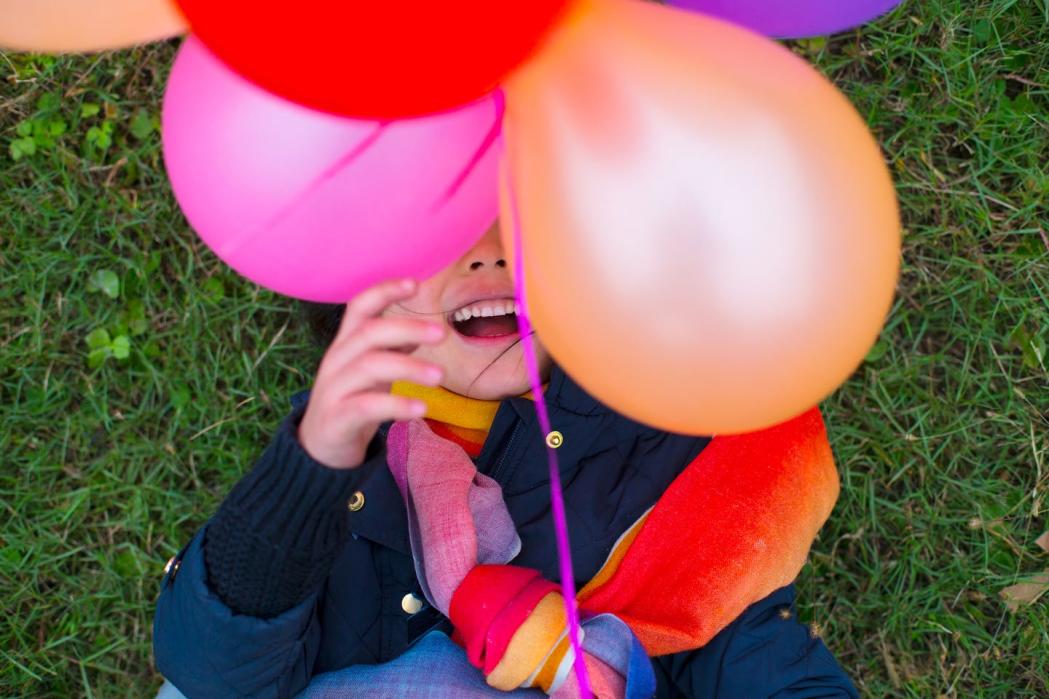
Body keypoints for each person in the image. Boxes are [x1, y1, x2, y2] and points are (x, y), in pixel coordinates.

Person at [153, 225, 859, 698]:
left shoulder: (673, 444)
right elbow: (212, 674)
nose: (486, 253)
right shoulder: (345, 464)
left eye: (521, 219)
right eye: (440, 232)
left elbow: (745, 646)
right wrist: (314, 464)